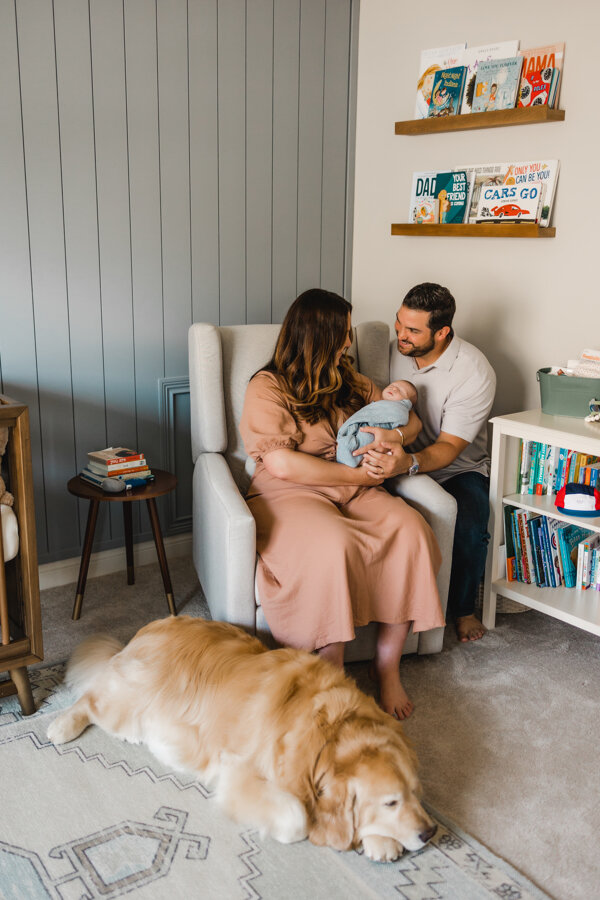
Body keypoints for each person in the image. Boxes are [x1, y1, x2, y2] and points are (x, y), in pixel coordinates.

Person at [239, 288, 444, 719]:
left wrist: (393, 439)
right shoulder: (268, 386)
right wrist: (357, 474)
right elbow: (281, 463)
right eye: (342, 333)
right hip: (291, 490)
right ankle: (329, 674)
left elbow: (408, 417)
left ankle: (386, 665)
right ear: (319, 335)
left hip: (356, 488)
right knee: (331, 546)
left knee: (411, 532)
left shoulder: (347, 377)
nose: (348, 342)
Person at [358, 283, 496, 644]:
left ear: (442, 333)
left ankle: (463, 608)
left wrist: (408, 462)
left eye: (413, 331)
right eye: (399, 324)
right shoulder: (392, 351)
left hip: (457, 467)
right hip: (397, 457)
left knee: (470, 521)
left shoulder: (472, 372)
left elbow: (449, 447)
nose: (401, 336)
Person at [336, 380, 417, 468]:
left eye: (400, 391)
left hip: (375, 434)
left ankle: (350, 456)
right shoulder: (378, 404)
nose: (394, 388)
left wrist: (394, 435)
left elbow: (411, 421)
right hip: (364, 431)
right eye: (392, 385)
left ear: (406, 403)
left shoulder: (398, 409)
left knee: (365, 439)